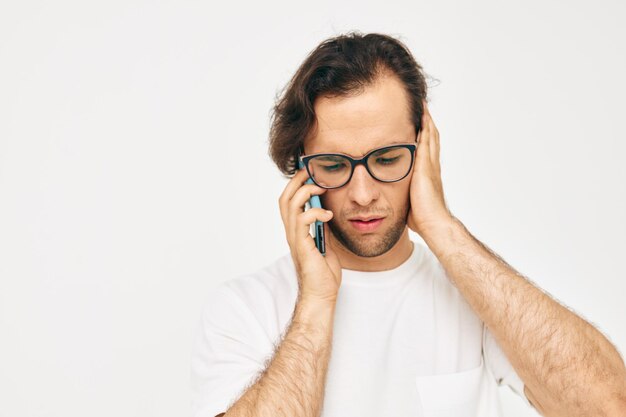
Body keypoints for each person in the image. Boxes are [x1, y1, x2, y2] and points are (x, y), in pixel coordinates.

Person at [190, 32, 626, 417]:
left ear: (424, 150)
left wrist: (442, 229)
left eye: (386, 159)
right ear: (302, 171)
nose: (362, 194)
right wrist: (317, 301)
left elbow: (608, 407)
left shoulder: (472, 293)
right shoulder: (244, 309)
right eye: (334, 165)